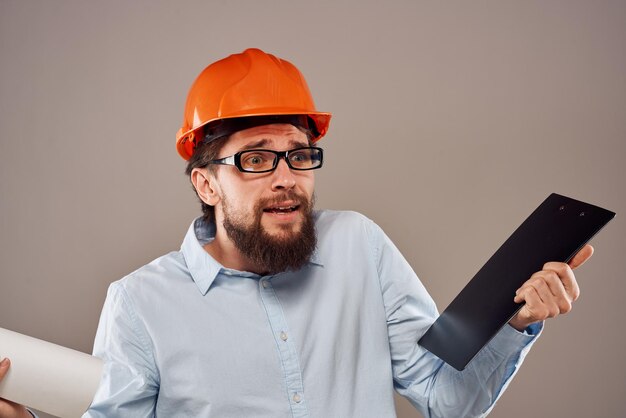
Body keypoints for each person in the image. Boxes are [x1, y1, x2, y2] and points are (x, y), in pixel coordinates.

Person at [0, 48, 593, 418]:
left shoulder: (360, 247)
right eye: (255, 160)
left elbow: (446, 402)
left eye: (299, 155)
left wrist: (515, 323)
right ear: (206, 184)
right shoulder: (140, 304)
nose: (286, 179)